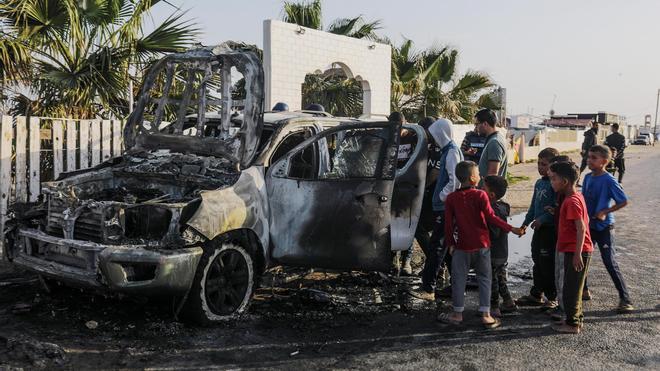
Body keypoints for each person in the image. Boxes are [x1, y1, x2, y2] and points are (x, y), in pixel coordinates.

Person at [436, 161, 524, 328]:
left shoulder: (451, 198)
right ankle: (486, 315)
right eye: (478, 174)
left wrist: (451, 243)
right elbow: (491, 217)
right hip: (482, 245)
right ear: (473, 179)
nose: (481, 177)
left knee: (458, 280)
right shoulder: (481, 196)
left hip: (462, 246)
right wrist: (511, 228)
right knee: (485, 278)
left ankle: (457, 314)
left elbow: (449, 224)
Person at [409, 118, 463, 300]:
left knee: (437, 247)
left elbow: (454, 181)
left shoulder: (451, 153)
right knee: (445, 247)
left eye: (434, 134)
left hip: (445, 206)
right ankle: (456, 285)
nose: (432, 137)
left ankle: (428, 288)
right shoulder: (449, 150)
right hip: (444, 206)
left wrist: (441, 196)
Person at [581, 145, 634, 313]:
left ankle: (625, 299)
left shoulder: (609, 180)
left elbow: (623, 201)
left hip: (604, 227)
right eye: (588, 157)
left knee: (609, 262)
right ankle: (584, 290)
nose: (589, 160)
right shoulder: (588, 177)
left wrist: (605, 211)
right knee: (582, 258)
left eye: (593, 158)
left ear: (604, 161)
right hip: (588, 226)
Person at [547, 161, 593, 334]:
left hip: (575, 251)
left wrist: (577, 253)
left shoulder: (571, 201)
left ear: (564, 182)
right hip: (573, 249)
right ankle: (575, 320)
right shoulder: (574, 197)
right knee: (573, 287)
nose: (552, 182)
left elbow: (581, 227)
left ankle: (573, 324)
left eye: (554, 179)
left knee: (571, 290)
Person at [516, 147, 560, 308]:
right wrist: (525, 224)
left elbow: (557, 208)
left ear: (553, 165)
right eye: (539, 163)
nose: (540, 167)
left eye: (544, 164)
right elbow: (533, 207)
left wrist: (543, 219)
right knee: (537, 260)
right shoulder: (539, 183)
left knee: (548, 263)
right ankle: (536, 294)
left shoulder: (556, 184)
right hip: (538, 230)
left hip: (550, 230)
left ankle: (552, 297)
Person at [483, 175, 517, 317]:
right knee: (500, 277)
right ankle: (509, 302)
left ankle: (494, 307)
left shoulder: (491, 209)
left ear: (491, 195)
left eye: (482, 188)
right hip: (503, 250)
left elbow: (494, 232)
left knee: (492, 280)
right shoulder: (504, 206)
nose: (479, 190)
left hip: (493, 251)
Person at [475, 108, 508, 181]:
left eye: (477, 124)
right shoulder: (494, 139)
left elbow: (492, 174)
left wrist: (484, 191)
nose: (476, 127)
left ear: (485, 124)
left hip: (490, 191)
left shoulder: (494, 142)